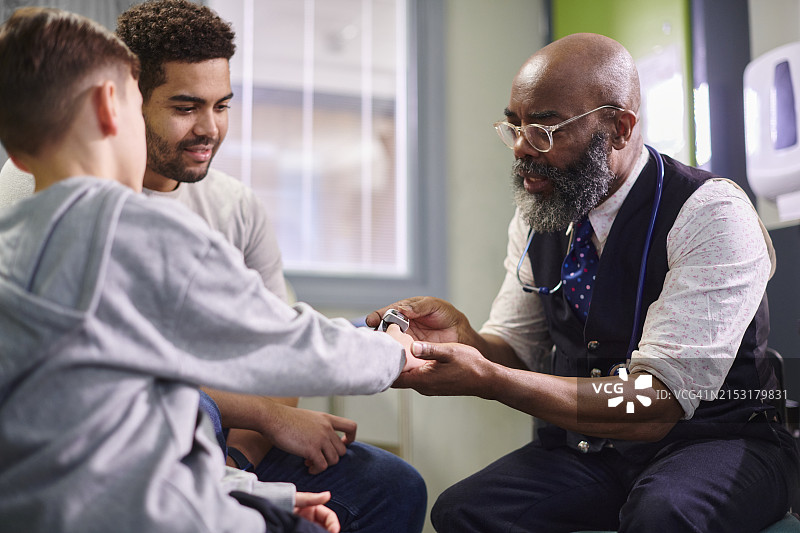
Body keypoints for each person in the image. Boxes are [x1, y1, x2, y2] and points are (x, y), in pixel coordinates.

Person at [0, 1, 428, 530]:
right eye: (182, 107)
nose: (209, 129)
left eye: (222, 105)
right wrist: (390, 350)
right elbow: (284, 345)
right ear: (116, 109)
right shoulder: (145, 232)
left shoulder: (15, 242)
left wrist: (249, 487)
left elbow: (129, 420)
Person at [368, 33, 800, 532]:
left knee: (664, 516)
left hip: (715, 442)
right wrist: (460, 338)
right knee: (464, 510)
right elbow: (514, 348)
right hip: (596, 450)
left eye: (546, 129)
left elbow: (653, 403)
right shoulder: (542, 214)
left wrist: (489, 380)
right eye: (514, 126)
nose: (522, 151)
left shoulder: (711, 213)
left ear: (618, 127)